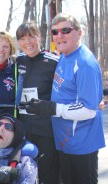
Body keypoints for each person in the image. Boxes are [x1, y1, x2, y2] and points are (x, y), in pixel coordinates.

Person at [25, 13, 105, 184]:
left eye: (66, 30)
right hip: (64, 142)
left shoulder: (84, 63)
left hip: (82, 144)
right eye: (55, 32)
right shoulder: (64, 56)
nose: (59, 36)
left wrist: (53, 108)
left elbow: (89, 110)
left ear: (79, 32)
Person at [16, 22, 61, 184]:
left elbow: (70, 86)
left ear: (40, 37)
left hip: (46, 131)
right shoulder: (17, 61)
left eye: (31, 37)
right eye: (22, 39)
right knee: (26, 175)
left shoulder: (54, 62)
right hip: (22, 130)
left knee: (49, 175)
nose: (27, 42)